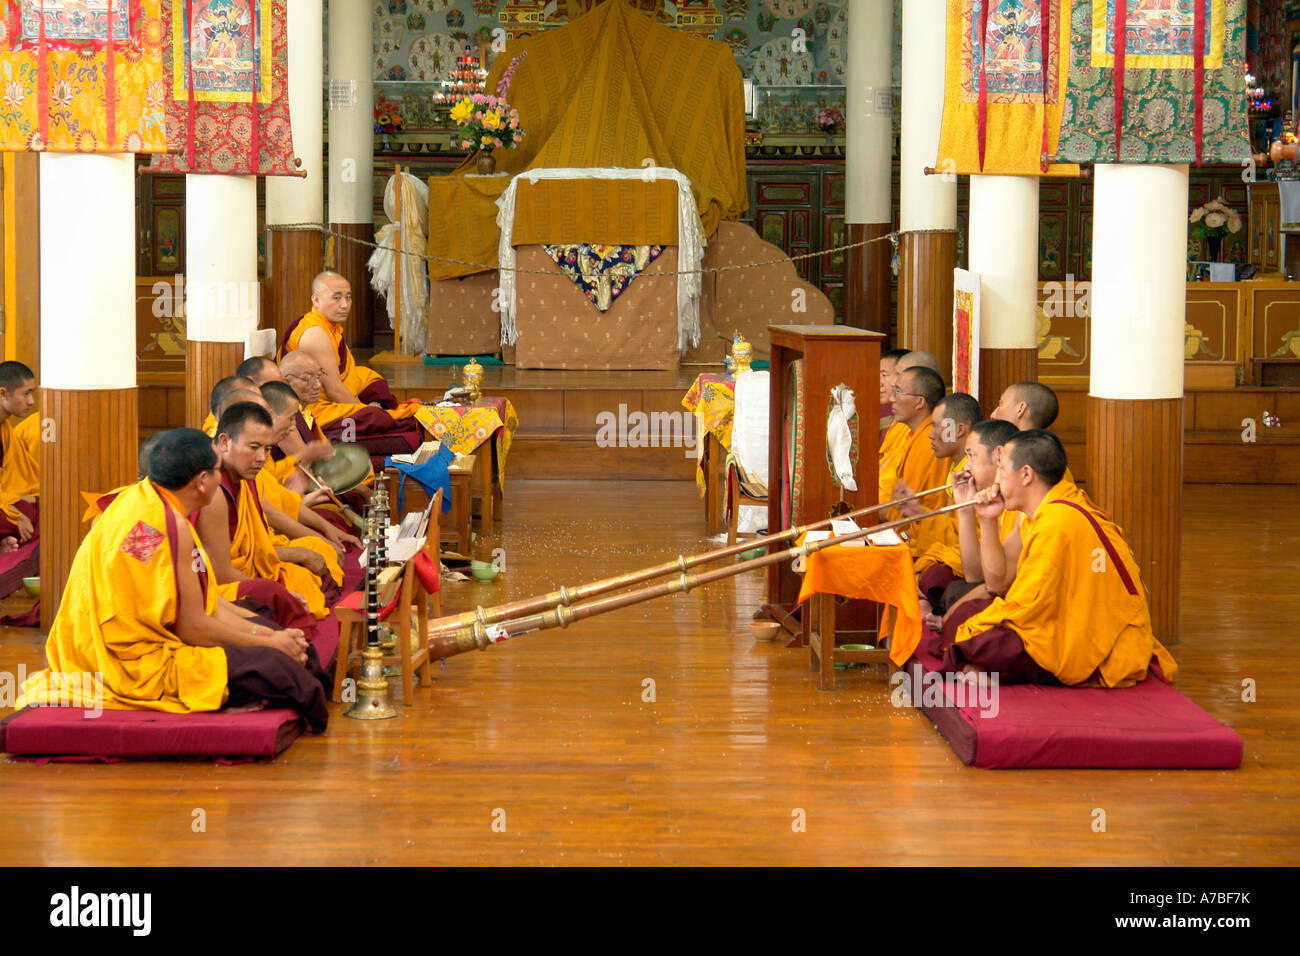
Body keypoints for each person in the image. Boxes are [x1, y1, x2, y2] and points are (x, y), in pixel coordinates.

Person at [18, 428, 329, 731]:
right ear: (202, 481)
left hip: (152, 633)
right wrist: (270, 642)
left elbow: (199, 600)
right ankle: (225, 701)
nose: (222, 479)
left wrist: (267, 634)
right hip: (132, 662)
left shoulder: (146, 503)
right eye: (218, 471)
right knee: (282, 670)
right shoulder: (160, 522)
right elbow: (192, 626)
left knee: (273, 628)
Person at [934, 430, 1179, 687]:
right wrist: (986, 520)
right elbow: (997, 584)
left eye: (1002, 470)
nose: (996, 479)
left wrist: (976, 623)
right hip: (1068, 622)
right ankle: (987, 666)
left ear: (1026, 474)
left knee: (983, 636)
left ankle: (992, 667)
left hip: (1098, 638)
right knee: (972, 620)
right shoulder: (1041, 513)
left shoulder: (1058, 521)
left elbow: (1027, 606)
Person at [195, 402, 335, 620]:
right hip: (216, 587)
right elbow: (220, 573)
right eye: (253, 448)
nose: (261, 457)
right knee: (283, 598)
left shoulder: (242, 477)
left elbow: (259, 537)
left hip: (251, 568)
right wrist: (281, 592)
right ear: (224, 441)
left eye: (267, 449)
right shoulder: (214, 491)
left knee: (313, 561)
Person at [279, 270, 398, 408]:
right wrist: (365, 410)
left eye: (348, 297)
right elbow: (334, 391)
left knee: (370, 378)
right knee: (385, 420)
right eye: (336, 298)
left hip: (333, 392)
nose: (344, 305)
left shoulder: (329, 326)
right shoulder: (315, 335)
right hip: (317, 406)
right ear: (316, 300)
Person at [280, 349, 421, 461]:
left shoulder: (304, 411)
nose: (318, 385)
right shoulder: (285, 419)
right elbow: (308, 465)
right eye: (307, 379)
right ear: (287, 383)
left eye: (318, 376)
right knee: (375, 419)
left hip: (325, 462)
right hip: (304, 487)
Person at [908, 391, 982, 584]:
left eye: (936, 427)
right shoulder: (954, 467)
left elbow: (972, 534)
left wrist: (922, 517)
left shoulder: (977, 475)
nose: (931, 435)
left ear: (958, 429)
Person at [880, 367, 951, 536]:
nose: (891, 399)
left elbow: (924, 510)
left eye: (898, 392)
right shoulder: (912, 436)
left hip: (923, 539)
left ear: (920, 402)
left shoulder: (931, 444)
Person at [0, 361, 40, 552]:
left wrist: (15, 500)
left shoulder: (6, 429)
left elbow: (16, 479)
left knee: (43, 509)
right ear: (3, 393)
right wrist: (13, 512)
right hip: (4, 505)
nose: (31, 401)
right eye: (26, 393)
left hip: (5, 501)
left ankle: (7, 540)